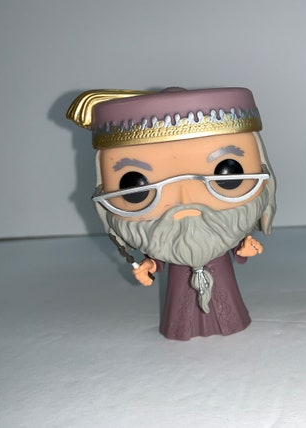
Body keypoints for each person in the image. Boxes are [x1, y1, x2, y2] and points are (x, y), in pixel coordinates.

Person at [67, 87, 276, 340]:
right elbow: (161, 252)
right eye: (136, 186)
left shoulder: (220, 230)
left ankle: (230, 322)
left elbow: (232, 245)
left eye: (227, 173)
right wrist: (149, 264)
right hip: (179, 284)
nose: (184, 199)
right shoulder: (167, 238)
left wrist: (243, 248)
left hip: (221, 275)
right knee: (180, 311)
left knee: (228, 306)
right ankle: (181, 328)